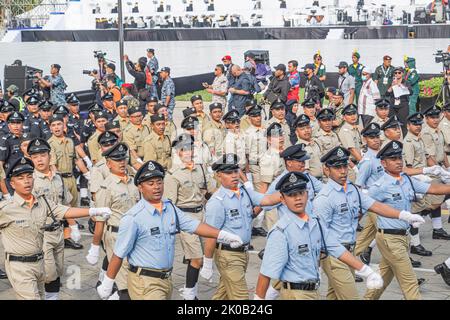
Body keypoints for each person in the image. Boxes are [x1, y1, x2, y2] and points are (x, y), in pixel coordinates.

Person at [96, 160, 244, 300]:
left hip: (166, 280)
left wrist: (223, 235)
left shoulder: (169, 207)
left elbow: (194, 225)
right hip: (145, 283)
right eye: (150, 183)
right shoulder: (133, 217)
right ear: (140, 187)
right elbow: (119, 253)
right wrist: (108, 282)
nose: (156, 187)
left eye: (159, 182)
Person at [314, 145, 427, 300]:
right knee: (351, 296)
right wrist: (316, 266)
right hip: (335, 256)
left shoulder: (352, 190)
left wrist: (403, 215)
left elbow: (376, 206)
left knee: (334, 296)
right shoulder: (324, 198)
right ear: (326, 170)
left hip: (349, 251)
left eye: (345, 166)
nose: (343, 171)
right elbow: (319, 235)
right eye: (337, 167)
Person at [254, 171, 383, 300]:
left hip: (313, 292)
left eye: (301, 193)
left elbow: (336, 248)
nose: (298, 198)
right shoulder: (280, 232)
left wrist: (366, 271)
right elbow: (266, 273)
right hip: (295, 294)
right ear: (282, 199)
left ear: (307, 194)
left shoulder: (315, 223)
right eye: (291, 195)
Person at [0, 157, 111, 300]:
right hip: (19, 266)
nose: (26, 181)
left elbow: (64, 211)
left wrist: (94, 211)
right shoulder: (6, 209)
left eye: (29, 176)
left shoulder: (42, 202)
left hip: (39, 263)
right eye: (21, 178)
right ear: (12, 184)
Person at [364, 141, 450, 300]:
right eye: (393, 159)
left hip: (403, 237)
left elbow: (433, 189)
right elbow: (364, 204)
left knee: (382, 279)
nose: (398, 162)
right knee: (410, 283)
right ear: (383, 163)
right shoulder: (380, 186)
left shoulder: (406, 179)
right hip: (390, 239)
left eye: (399, 158)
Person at [200, 154, 282, 300]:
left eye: (235, 171)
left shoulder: (244, 192)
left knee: (223, 294)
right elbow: (211, 235)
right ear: (218, 176)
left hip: (242, 253)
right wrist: (207, 262)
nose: (233, 176)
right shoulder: (217, 202)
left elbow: (267, 200)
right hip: (228, 256)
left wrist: (288, 193)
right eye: (228, 173)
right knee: (241, 297)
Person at [164, 134, 216, 300]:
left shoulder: (200, 167)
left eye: (191, 148)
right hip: (186, 217)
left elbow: (209, 191)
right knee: (197, 259)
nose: (189, 152)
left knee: (199, 256)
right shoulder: (173, 175)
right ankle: (190, 294)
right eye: (184, 149)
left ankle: (189, 290)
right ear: (178, 152)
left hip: (202, 214)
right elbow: (169, 203)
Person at [88, 142, 140, 300]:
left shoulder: (134, 182)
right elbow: (100, 219)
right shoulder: (106, 187)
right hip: (116, 237)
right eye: (117, 160)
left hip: (136, 236)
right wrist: (95, 247)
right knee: (125, 285)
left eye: (123, 159)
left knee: (136, 280)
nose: (122, 163)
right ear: (108, 164)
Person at [27, 138, 72, 300]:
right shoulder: (30, 180)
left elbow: (65, 203)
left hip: (58, 231)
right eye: (35, 156)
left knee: (59, 269)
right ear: (30, 159)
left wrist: (71, 227)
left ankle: (53, 296)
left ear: (49, 156)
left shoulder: (58, 177)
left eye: (42, 155)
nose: (39, 159)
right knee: (48, 271)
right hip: (41, 234)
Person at [294, 114, 322, 179]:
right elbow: (304, 171)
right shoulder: (299, 148)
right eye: (302, 129)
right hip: (312, 182)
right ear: (297, 132)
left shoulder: (316, 142)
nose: (306, 130)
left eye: (308, 127)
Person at [123, 105, 151, 170]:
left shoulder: (146, 127)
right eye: (135, 117)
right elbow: (132, 150)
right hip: (136, 160)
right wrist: (140, 162)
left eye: (140, 116)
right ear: (130, 118)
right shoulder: (128, 131)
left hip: (148, 157)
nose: (138, 118)